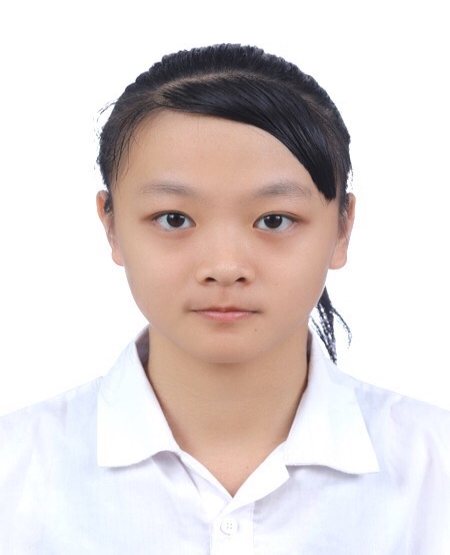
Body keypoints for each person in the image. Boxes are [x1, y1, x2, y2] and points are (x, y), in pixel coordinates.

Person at [1, 44, 449, 554]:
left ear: (342, 228)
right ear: (112, 226)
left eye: (274, 220)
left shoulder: (434, 472)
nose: (225, 266)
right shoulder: (15, 472)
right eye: (174, 219)